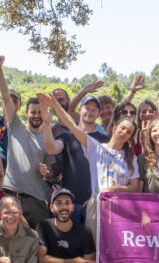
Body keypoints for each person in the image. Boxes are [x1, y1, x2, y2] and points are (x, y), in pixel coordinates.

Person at [36, 92, 141, 235]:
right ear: (115, 127)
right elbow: (71, 125)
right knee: (92, 246)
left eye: (129, 131)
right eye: (122, 128)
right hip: (95, 207)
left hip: (119, 208)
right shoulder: (96, 147)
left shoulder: (130, 157)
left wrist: (113, 189)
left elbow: (134, 186)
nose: (124, 132)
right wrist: (55, 106)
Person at [0, 55, 53, 228]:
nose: (36, 116)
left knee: (37, 245)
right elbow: (6, 98)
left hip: (36, 200)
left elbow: (50, 172)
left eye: (40, 112)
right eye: (33, 112)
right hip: (10, 197)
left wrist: (47, 172)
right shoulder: (16, 127)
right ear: (25, 113)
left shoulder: (48, 140)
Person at [42, 93, 108, 224]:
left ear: (98, 114)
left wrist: (97, 196)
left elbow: (107, 173)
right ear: (80, 110)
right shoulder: (67, 136)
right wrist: (47, 124)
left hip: (95, 203)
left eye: (94, 110)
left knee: (92, 243)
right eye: (87, 108)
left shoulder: (105, 140)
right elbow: (51, 149)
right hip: (69, 204)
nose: (90, 112)